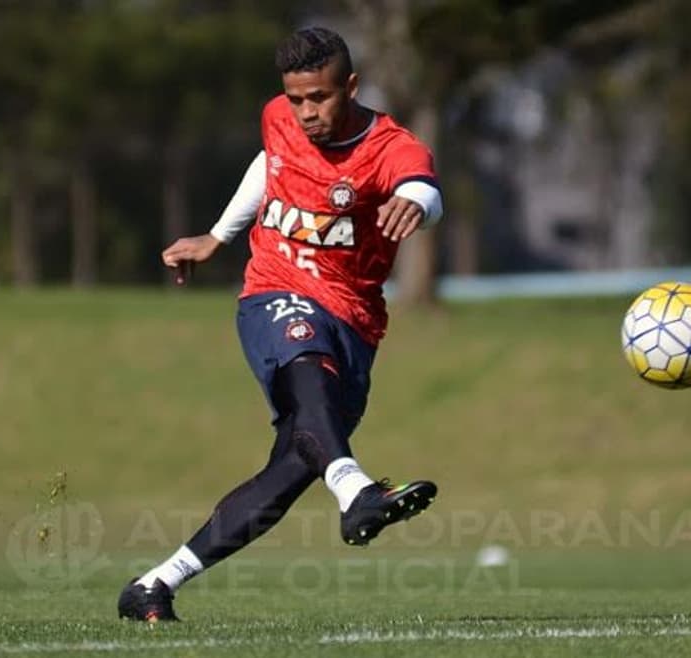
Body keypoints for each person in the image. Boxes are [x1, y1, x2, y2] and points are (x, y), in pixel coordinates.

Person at [118, 27, 443, 622]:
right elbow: (271, 166)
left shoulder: (388, 145)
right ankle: (355, 489)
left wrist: (416, 202)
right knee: (304, 366)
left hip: (355, 317)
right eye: (295, 99)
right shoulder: (280, 116)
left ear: (351, 86)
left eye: (319, 97)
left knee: (291, 469)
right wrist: (219, 238)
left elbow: (422, 183)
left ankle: (153, 585)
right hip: (274, 289)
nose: (306, 113)